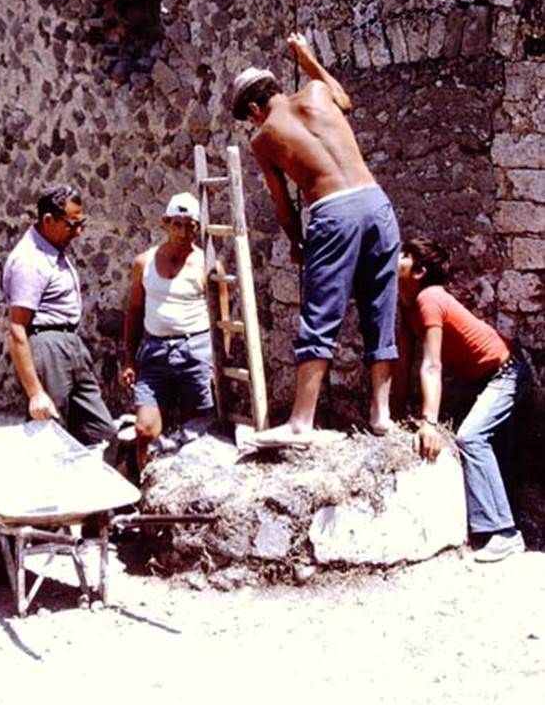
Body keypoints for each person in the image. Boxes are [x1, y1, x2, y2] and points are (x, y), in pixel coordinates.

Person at [230, 32, 400, 444]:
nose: (253, 122)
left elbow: (284, 204)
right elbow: (345, 99)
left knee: (320, 315)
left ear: (254, 108)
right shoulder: (319, 91)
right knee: (380, 308)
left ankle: (301, 421)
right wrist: (307, 58)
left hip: (333, 212)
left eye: (249, 116)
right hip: (377, 204)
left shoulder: (263, 137)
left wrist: (296, 241)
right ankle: (381, 414)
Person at [397, 237, 528, 563]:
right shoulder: (408, 306)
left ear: (419, 271)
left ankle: (506, 534)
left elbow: (431, 363)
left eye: (404, 255)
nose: (394, 257)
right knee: (491, 450)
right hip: (486, 379)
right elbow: (402, 362)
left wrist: (429, 423)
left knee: (470, 437)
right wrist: (396, 418)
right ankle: (498, 524)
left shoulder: (429, 298)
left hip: (507, 373)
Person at [3, 184, 116, 450]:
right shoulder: (30, 261)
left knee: (101, 432)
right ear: (48, 220)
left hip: (70, 344)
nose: (78, 232)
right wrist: (35, 393)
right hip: (46, 347)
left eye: (82, 222)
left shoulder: (54, 251)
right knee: (49, 435)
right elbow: (16, 329)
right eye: (72, 224)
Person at [120, 192, 215, 471]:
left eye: (191, 225)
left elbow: (221, 318)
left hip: (194, 351)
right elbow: (135, 311)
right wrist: (129, 359)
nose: (184, 232)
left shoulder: (208, 265)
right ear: (165, 223)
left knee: (196, 433)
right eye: (177, 224)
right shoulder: (144, 263)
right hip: (155, 352)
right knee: (145, 431)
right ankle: (141, 492)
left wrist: (216, 365)